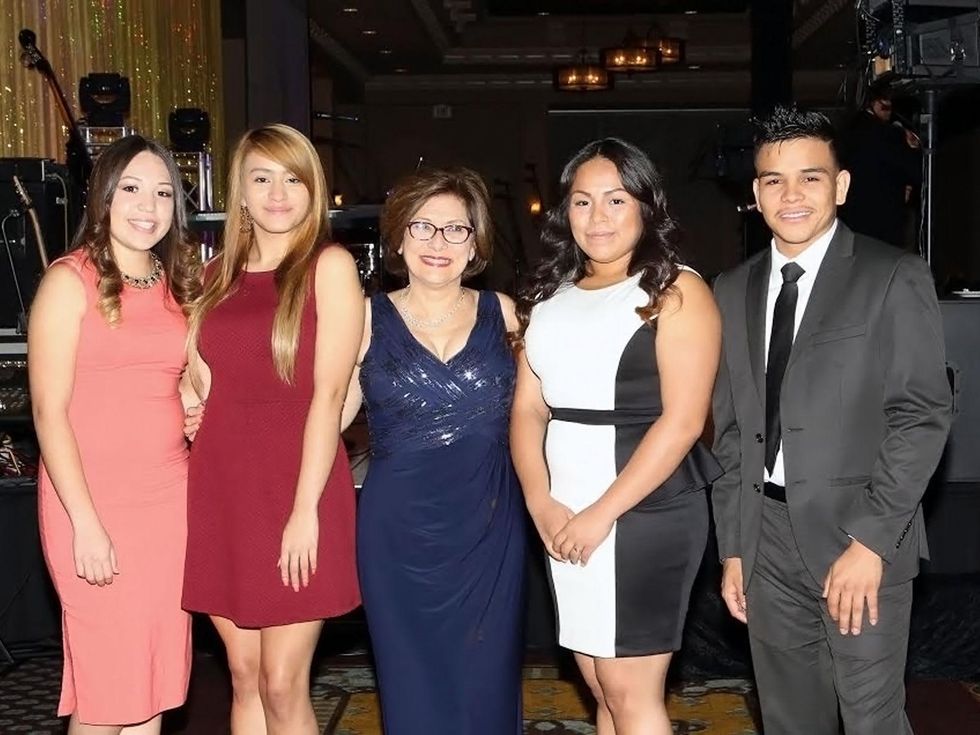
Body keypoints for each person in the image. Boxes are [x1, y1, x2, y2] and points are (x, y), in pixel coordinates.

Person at [711, 106, 952, 735]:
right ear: (755, 193)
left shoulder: (892, 275)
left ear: (841, 186)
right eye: (772, 180)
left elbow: (922, 416)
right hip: (763, 538)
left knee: (871, 719)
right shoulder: (730, 290)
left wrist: (872, 542)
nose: (790, 195)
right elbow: (733, 432)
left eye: (809, 178)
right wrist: (735, 547)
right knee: (791, 720)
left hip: (860, 537)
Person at [510, 138, 722, 735]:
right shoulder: (549, 296)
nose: (597, 217)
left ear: (646, 206)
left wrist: (601, 513)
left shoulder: (676, 292)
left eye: (615, 199)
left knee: (631, 692)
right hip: (563, 509)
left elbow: (682, 422)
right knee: (602, 688)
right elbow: (528, 410)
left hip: (643, 510)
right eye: (582, 202)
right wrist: (540, 501)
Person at [181, 124, 362, 735]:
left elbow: (329, 395)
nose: (277, 193)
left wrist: (305, 508)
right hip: (221, 488)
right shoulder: (212, 278)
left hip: (298, 484)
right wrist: (186, 397)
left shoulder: (329, 267)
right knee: (243, 677)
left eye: (292, 178)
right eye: (261, 178)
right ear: (240, 192)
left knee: (283, 683)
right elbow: (202, 378)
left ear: (313, 189)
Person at [340, 167, 526, 733]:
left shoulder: (507, 313)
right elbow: (328, 417)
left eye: (456, 230)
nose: (438, 244)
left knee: (486, 679)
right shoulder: (365, 318)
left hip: (490, 525)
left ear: (476, 244)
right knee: (410, 682)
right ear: (397, 238)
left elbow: (544, 414)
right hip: (397, 532)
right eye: (423, 228)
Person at [29, 135, 201, 734]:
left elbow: (176, 375)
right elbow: (48, 412)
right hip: (90, 504)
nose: (146, 206)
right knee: (107, 694)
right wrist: (86, 524)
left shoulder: (180, 284)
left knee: (149, 689)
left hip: (168, 504)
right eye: (130, 188)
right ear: (103, 197)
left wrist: (189, 400)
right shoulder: (66, 281)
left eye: (160, 193)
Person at [838, 82, 921, 248]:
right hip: (884, 225)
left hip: (853, 223)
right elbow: (915, 172)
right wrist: (914, 149)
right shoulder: (890, 135)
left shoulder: (847, 131)